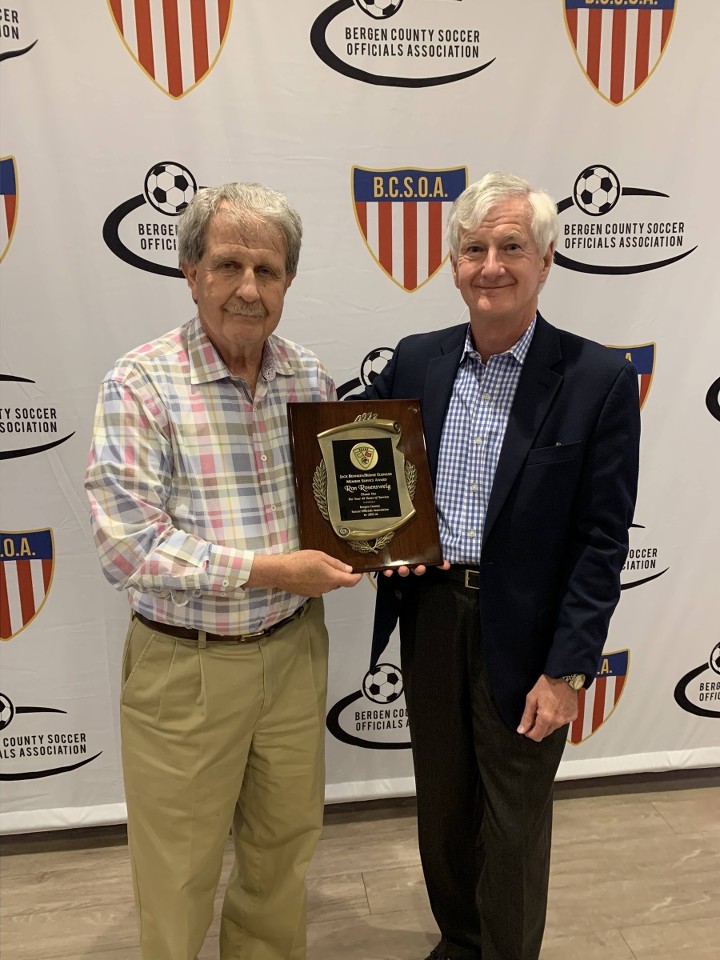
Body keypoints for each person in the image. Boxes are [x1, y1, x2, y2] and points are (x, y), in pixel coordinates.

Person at [360, 172, 641, 960]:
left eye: (511, 247)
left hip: (529, 636)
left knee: (512, 823)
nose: (491, 266)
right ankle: (460, 943)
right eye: (474, 248)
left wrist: (569, 670)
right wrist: (383, 547)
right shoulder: (416, 361)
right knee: (443, 808)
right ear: (453, 263)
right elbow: (372, 481)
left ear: (545, 261)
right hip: (431, 615)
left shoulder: (597, 380)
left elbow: (601, 541)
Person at [85, 182, 361, 960]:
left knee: (282, 852)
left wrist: (377, 542)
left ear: (288, 281)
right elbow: (128, 546)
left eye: (267, 270)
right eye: (228, 265)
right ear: (191, 272)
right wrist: (274, 571)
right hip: (187, 667)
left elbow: (338, 510)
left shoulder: (309, 379)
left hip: (295, 652)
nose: (248, 288)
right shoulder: (141, 382)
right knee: (177, 876)